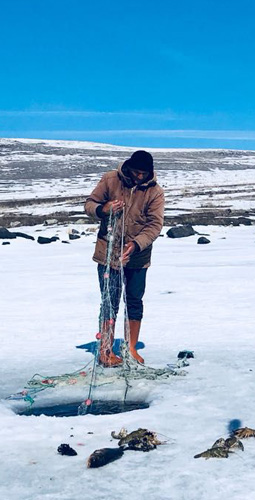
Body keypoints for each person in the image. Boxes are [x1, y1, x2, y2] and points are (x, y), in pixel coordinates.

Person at [85, 150, 165, 366]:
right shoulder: (111, 179)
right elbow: (89, 204)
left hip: (138, 256)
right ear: (129, 167)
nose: (139, 177)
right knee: (109, 301)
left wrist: (136, 244)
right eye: (136, 172)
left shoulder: (155, 192)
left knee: (134, 301)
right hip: (108, 254)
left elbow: (155, 225)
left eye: (144, 174)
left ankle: (131, 348)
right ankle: (105, 350)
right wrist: (104, 208)